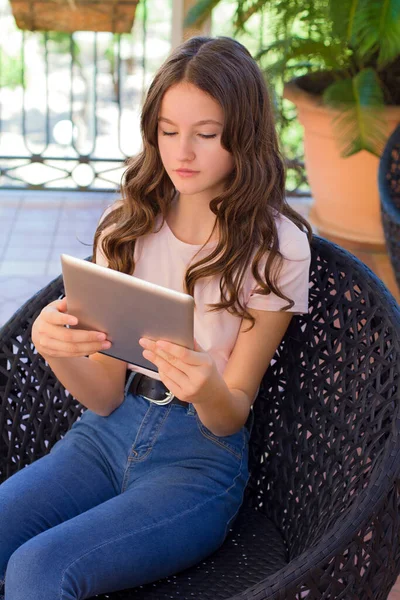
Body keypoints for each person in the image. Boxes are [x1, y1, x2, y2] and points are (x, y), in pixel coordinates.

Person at [0, 35, 313, 600]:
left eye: (206, 135)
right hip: (102, 436)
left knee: (37, 570)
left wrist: (206, 386)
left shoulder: (279, 248)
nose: (181, 154)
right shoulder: (127, 223)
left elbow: (231, 414)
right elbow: (103, 398)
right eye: (168, 132)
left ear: (243, 134)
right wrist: (57, 349)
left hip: (199, 462)